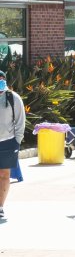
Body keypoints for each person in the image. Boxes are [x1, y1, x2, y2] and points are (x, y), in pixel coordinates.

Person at [0, 70, 25, 219]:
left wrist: (17, 140)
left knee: (4, 174)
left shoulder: (13, 98)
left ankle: (0, 206)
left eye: (1, 79)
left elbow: (20, 121)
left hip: (8, 142)